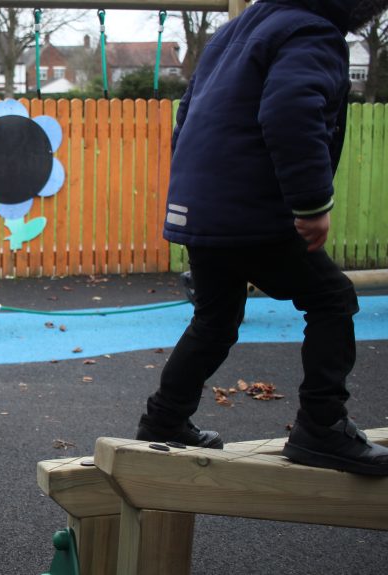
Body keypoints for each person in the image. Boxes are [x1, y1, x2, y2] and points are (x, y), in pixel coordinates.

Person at [137, 0, 388, 475]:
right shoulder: (312, 32)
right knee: (332, 299)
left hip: (205, 207)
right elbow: (291, 111)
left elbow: (186, 116)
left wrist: (196, 194)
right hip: (249, 208)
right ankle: (322, 426)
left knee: (215, 320)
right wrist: (311, 202)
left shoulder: (234, 34)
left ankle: (164, 422)